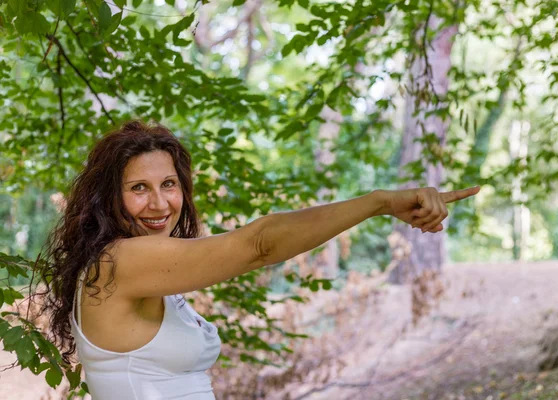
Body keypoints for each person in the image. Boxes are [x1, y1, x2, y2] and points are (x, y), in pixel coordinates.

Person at [35, 119, 480, 399]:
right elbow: (259, 245)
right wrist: (380, 202)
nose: (159, 204)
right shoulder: (120, 263)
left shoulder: (136, 269)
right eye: (138, 188)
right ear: (107, 198)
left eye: (168, 185)